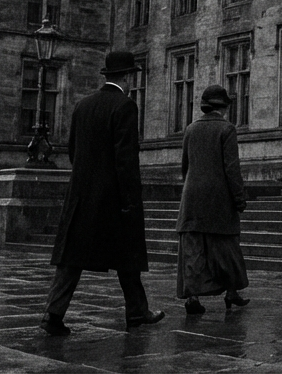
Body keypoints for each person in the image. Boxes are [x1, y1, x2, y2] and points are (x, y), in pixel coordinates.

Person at [41, 50, 164, 336]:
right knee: (128, 254)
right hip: (112, 197)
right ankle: (136, 312)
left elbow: (73, 150)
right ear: (128, 77)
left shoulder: (82, 105)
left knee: (72, 259)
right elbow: (126, 159)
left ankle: (54, 314)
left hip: (81, 195)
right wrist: (130, 199)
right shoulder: (125, 106)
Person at [176, 85, 250, 313]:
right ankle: (231, 292)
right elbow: (231, 168)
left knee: (193, 248)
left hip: (192, 196)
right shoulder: (227, 129)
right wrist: (239, 198)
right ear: (225, 107)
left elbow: (185, 166)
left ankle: (192, 298)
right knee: (226, 247)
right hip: (218, 197)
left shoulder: (190, 128)